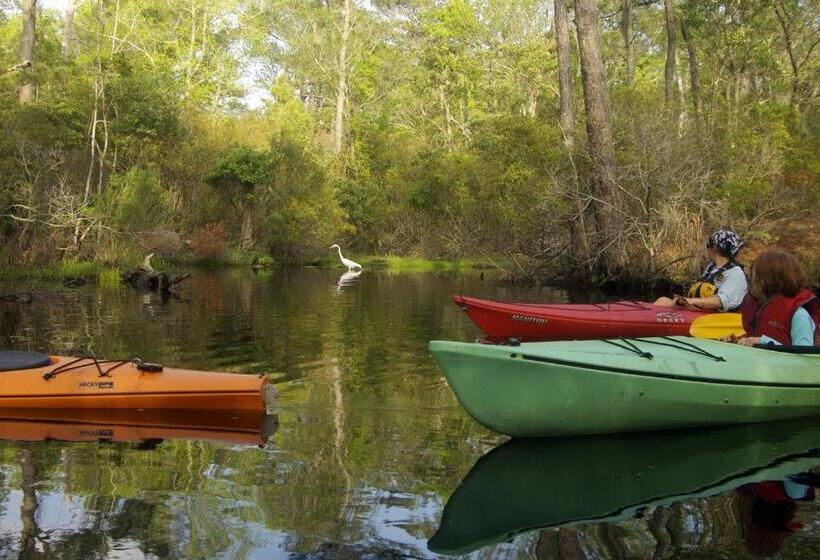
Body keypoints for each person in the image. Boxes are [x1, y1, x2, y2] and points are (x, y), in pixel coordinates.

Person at [737, 249, 819, 347]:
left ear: (764, 283)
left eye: (754, 277)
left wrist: (765, 342)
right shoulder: (758, 306)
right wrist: (738, 341)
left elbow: (804, 356)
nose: (750, 282)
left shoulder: (800, 315)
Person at [655, 229, 747, 312]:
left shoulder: (735, 274)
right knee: (662, 300)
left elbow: (721, 301)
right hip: (700, 312)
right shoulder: (712, 267)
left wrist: (691, 301)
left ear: (714, 248)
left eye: (708, 245)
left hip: (719, 319)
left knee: (663, 303)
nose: (707, 248)